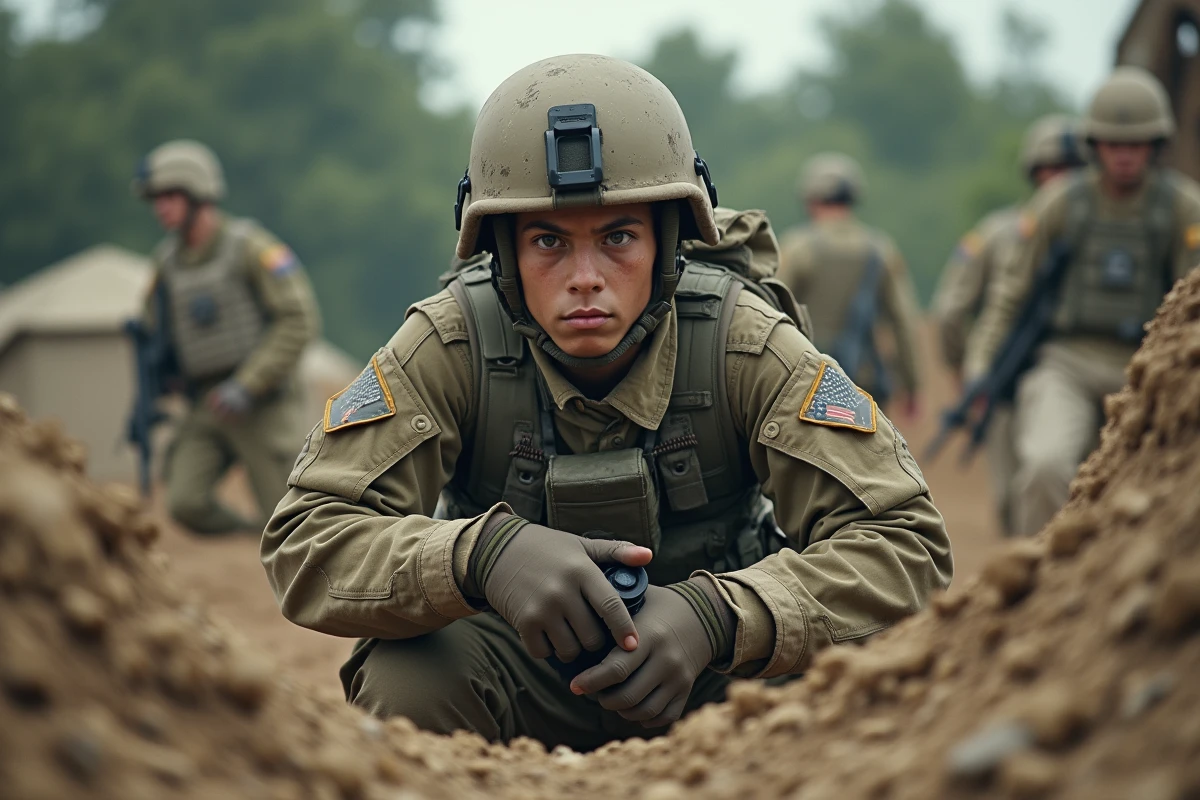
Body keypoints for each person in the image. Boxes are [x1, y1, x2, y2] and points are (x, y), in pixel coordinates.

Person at [261, 55, 952, 751]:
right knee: (407, 677)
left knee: (851, 679)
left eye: (618, 236)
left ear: (666, 245)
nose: (584, 279)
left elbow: (905, 545)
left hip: (719, 678)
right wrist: (481, 555)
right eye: (547, 242)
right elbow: (307, 535)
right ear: (501, 251)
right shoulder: (452, 343)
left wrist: (719, 614)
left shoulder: (743, 343)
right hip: (514, 672)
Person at [964, 66, 1200, 537]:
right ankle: (1037, 580)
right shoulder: (1059, 204)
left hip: (1147, 370)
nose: (1125, 156)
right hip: (1065, 363)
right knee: (1045, 465)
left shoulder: (1182, 208)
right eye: (1115, 144)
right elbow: (1012, 295)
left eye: (1136, 145)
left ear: (1155, 145)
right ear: (1095, 146)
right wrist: (981, 368)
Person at [134, 139, 320, 534]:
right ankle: (254, 536)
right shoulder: (165, 264)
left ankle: (288, 548)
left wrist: (247, 385)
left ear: (199, 195)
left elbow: (298, 320)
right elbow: (157, 330)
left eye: (170, 196)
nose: (160, 208)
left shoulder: (251, 248)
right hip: (207, 403)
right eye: (156, 199)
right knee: (184, 500)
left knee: (290, 519)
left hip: (262, 401)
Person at [931, 114, 1085, 535]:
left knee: (1025, 504)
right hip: (1008, 381)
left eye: (1066, 172)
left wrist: (963, 370)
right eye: (1052, 171)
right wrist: (969, 374)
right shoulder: (1000, 234)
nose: (1059, 182)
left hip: (1030, 380)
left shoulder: (998, 232)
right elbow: (950, 311)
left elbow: (950, 310)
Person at [776, 153, 924, 420]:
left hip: (807, 381)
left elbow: (771, 309)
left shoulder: (797, 248)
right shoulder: (880, 249)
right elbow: (903, 322)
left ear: (811, 200)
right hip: (865, 384)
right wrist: (911, 385)